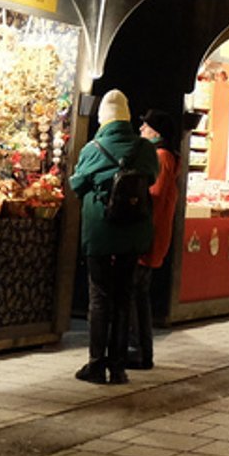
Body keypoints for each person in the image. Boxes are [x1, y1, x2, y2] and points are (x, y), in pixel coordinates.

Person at [71, 89, 159, 384]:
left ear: (103, 119)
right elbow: (153, 177)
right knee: (124, 296)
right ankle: (118, 367)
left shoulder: (93, 148)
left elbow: (77, 185)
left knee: (99, 297)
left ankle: (96, 364)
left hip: (100, 233)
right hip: (133, 232)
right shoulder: (144, 149)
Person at [128, 111, 181, 370]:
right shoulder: (168, 157)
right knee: (139, 293)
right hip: (155, 236)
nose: (140, 129)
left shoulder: (160, 157)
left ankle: (137, 350)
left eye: (145, 126)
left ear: (156, 133)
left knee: (135, 294)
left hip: (148, 235)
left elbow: (155, 195)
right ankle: (140, 351)